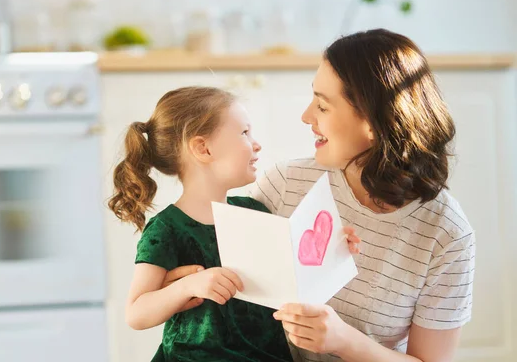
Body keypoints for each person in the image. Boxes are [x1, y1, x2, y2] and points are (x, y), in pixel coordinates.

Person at [163, 29, 476, 362]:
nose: (306, 116)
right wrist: (182, 281)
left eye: (323, 106)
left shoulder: (446, 234)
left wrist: (345, 341)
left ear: (373, 123)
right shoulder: (286, 183)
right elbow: (211, 264)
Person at [108, 86, 361, 361]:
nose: (256, 143)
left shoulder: (254, 210)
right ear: (203, 148)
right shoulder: (167, 229)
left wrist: (333, 249)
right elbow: (136, 313)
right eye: (244, 133)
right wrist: (187, 286)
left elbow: (289, 276)